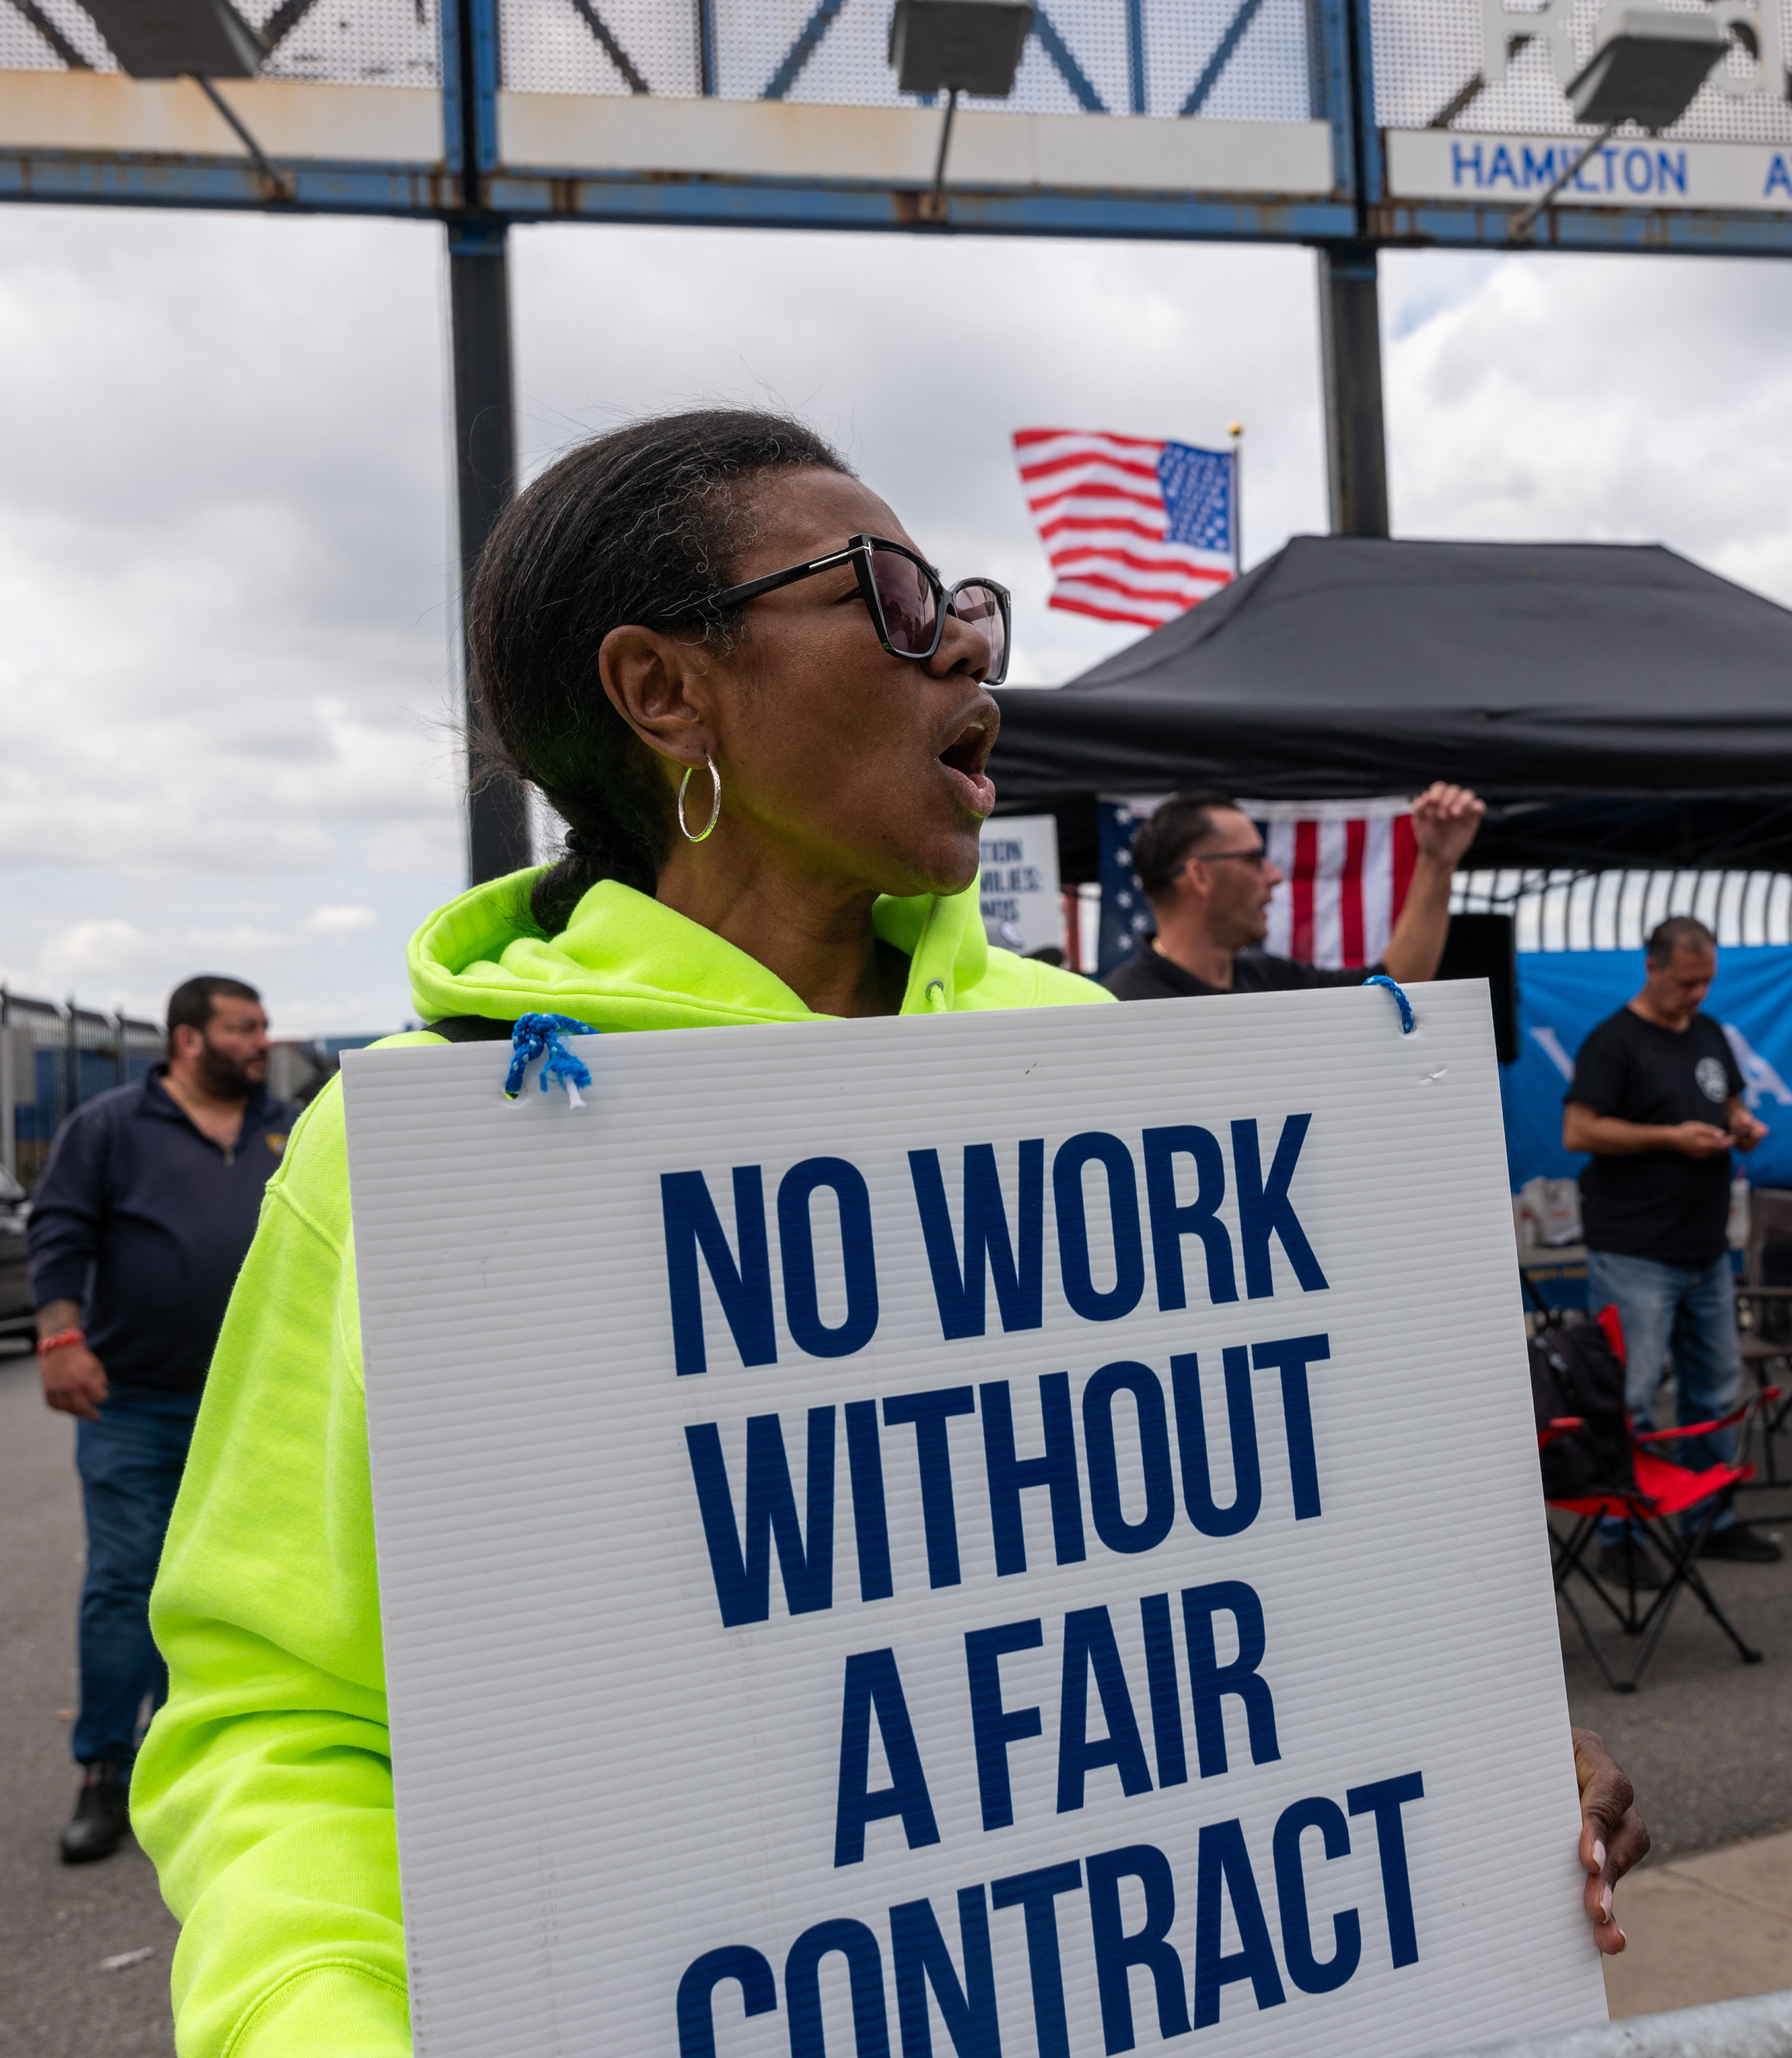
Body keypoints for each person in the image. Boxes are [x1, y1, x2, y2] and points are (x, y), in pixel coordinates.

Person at [131, 411, 1653, 2058]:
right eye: (896, 600)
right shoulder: (421, 1156)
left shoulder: (1100, 1057)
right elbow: (284, 1720)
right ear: (663, 691)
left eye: (971, 606)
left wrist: (1482, 1748)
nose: (972, 651)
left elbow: (1273, 1553)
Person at [26, 973, 289, 1865]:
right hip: (136, 1404)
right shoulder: (107, 1129)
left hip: (263, 1405)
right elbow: (59, 1230)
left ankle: (236, 1770)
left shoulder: (285, 1128)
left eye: (262, 1027)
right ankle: (107, 1769)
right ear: (188, 1040)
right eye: (243, 1028)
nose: (262, 1041)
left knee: (257, 1591)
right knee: (129, 1582)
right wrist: (60, 1338)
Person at [1563, 916, 1784, 1565]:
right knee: (1630, 1395)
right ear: (1652, 969)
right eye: (1687, 982)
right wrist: (1671, 1137)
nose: (1697, 994)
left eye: (1708, 981)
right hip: (1635, 1250)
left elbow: (1731, 1101)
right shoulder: (1614, 1042)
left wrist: (1741, 1124)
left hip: (1704, 1246)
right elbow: (1579, 1131)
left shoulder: (1710, 1033)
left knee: (1714, 1387)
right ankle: (1619, 1534)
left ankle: (1707, 1518)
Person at [1100, 784, 1485, 999]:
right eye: (1253, 860)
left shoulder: (1270, 980)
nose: (1274, 876)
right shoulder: (1120, 1005)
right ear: (1200, 877)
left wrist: (1437, 861)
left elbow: (1396, 986)